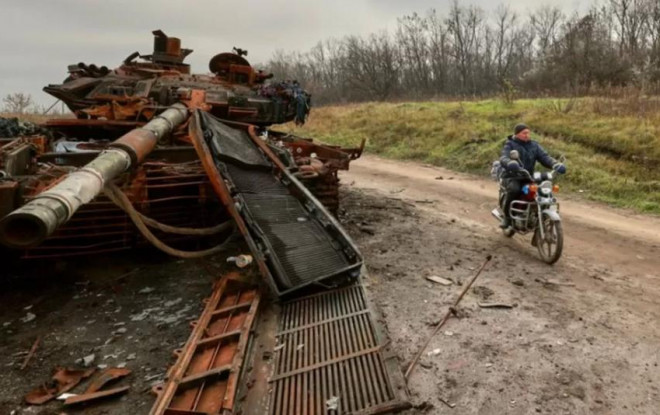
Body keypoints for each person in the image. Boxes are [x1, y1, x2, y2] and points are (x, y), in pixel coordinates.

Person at [499, 123, 566, 228]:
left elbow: (544, 157)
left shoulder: (534, 145)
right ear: (517, 134)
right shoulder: (510, 144)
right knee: (514, 190)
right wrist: (509, 163)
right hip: (512, 175)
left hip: (528, 176)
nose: (527, 135)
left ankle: (542, 212)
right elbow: (504, 157)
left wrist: (555, 164)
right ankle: (507, 217)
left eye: (528, 133)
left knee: (544, 188)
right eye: (524, 133)